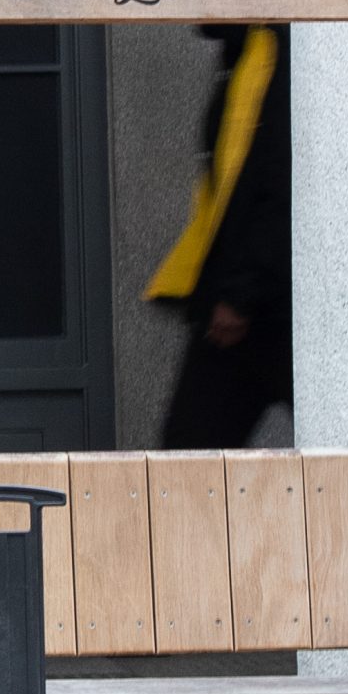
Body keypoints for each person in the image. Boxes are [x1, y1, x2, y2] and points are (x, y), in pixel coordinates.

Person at [146, 22, 292, 449]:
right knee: (189, 457)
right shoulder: (245, 54)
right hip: (247, 299)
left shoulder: (276, 55)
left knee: (188, 458)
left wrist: (241, 294)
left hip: (261, 310)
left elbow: (278, 180)